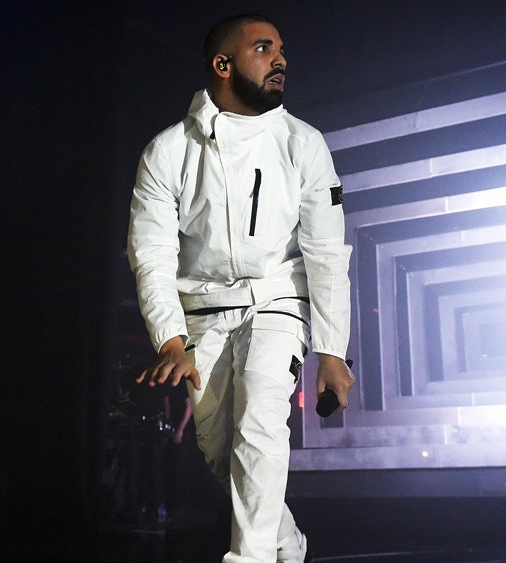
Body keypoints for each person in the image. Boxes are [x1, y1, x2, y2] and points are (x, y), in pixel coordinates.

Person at [127, 13, 355, 563]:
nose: (280, 59)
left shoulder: (304, 143)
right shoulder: (167, 152)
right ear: (223, 65)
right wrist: (171, 340)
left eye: (281, 49)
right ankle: (287, 543)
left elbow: (325, 253)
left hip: (279, 300)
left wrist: (332, 351)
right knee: (221, 452)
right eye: (263, 48)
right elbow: (151, 254)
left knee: (260, 421)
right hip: (203, 313)